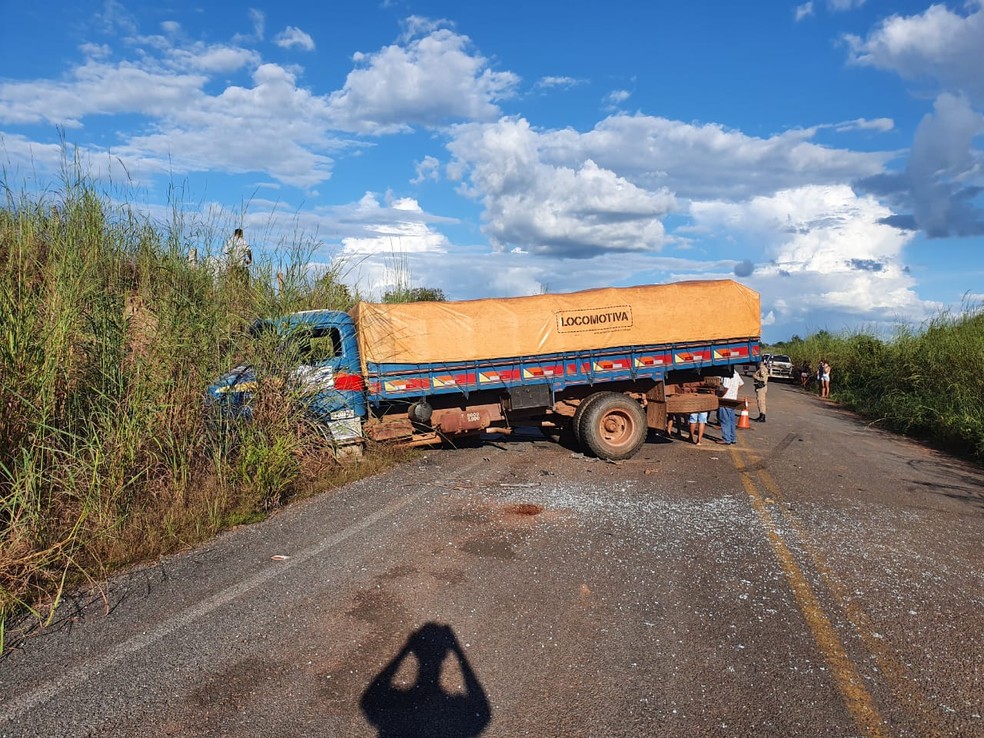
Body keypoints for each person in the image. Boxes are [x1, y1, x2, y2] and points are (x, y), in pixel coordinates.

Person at [715, 366, 744, 445]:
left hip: (726, 400)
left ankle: (726, 439)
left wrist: (720, 396)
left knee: (724, 420)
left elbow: (726, 388)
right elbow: (741, 384)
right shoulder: (736, 373)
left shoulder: (727, 375)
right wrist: (734, 391)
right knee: (731, 420)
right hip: (733, 399)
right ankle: (732, 438)